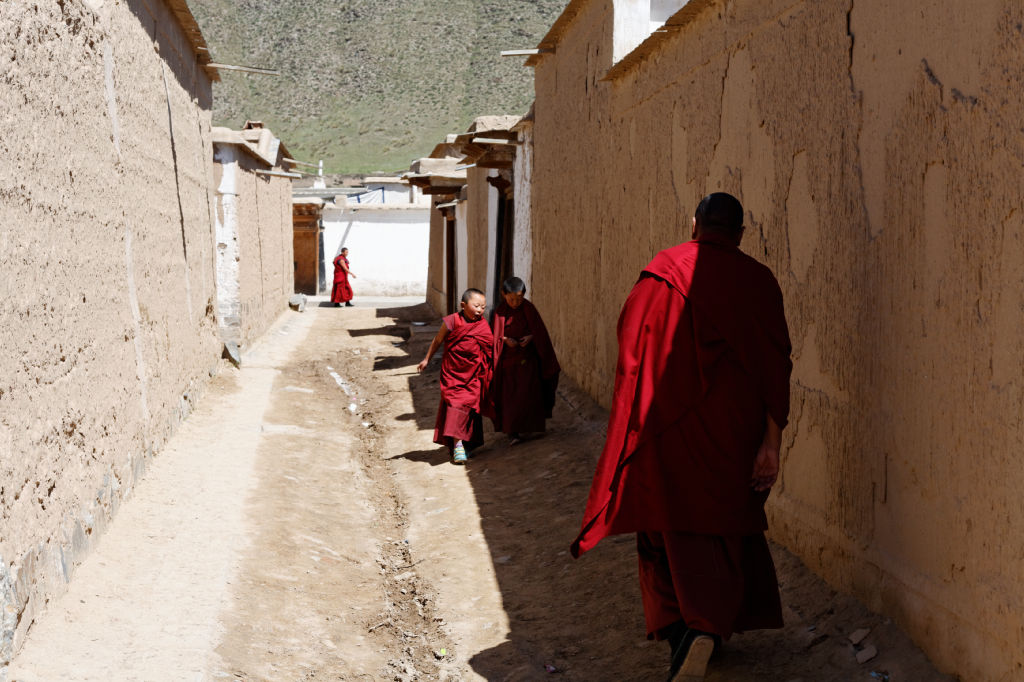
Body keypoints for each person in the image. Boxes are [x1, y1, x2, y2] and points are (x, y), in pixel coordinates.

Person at [570, 193, 793, 681]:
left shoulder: (662, 273)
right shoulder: (759, 282)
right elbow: (776, 368)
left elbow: (632, 348)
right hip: (733, 433)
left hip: (664, 427)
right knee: (723, 525)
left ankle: (690, 628)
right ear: (739, 234)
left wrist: (635, 420)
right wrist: (770, 444)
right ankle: (702, 629)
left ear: (695, 224)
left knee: (662, 523)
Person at [417, 289, 494, 464]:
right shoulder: (452, 321)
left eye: (483, 307)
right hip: (453, 373)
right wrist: (426, 359)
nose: (480, 310)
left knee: (470, 407)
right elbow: (438, 340)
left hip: (473, 374)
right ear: (463, 305)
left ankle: (467, 444)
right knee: (455, 404)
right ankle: (457, 445)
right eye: (476, 306)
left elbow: (491, 347)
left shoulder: (482, 325)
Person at [486, 277, 560, 444]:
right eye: (511, 299)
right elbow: (494, 337)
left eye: (519, 299)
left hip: (528, 362)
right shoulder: (499, 312)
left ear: (524, 295)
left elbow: (539, 331)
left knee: (529, 395)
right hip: (507, 364)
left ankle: (531, 427)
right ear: (503, 294)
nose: (515, 303)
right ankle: (513, 433)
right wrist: (505, 340)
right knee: (510, 399)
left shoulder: (529, 308)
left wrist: (531, 337)